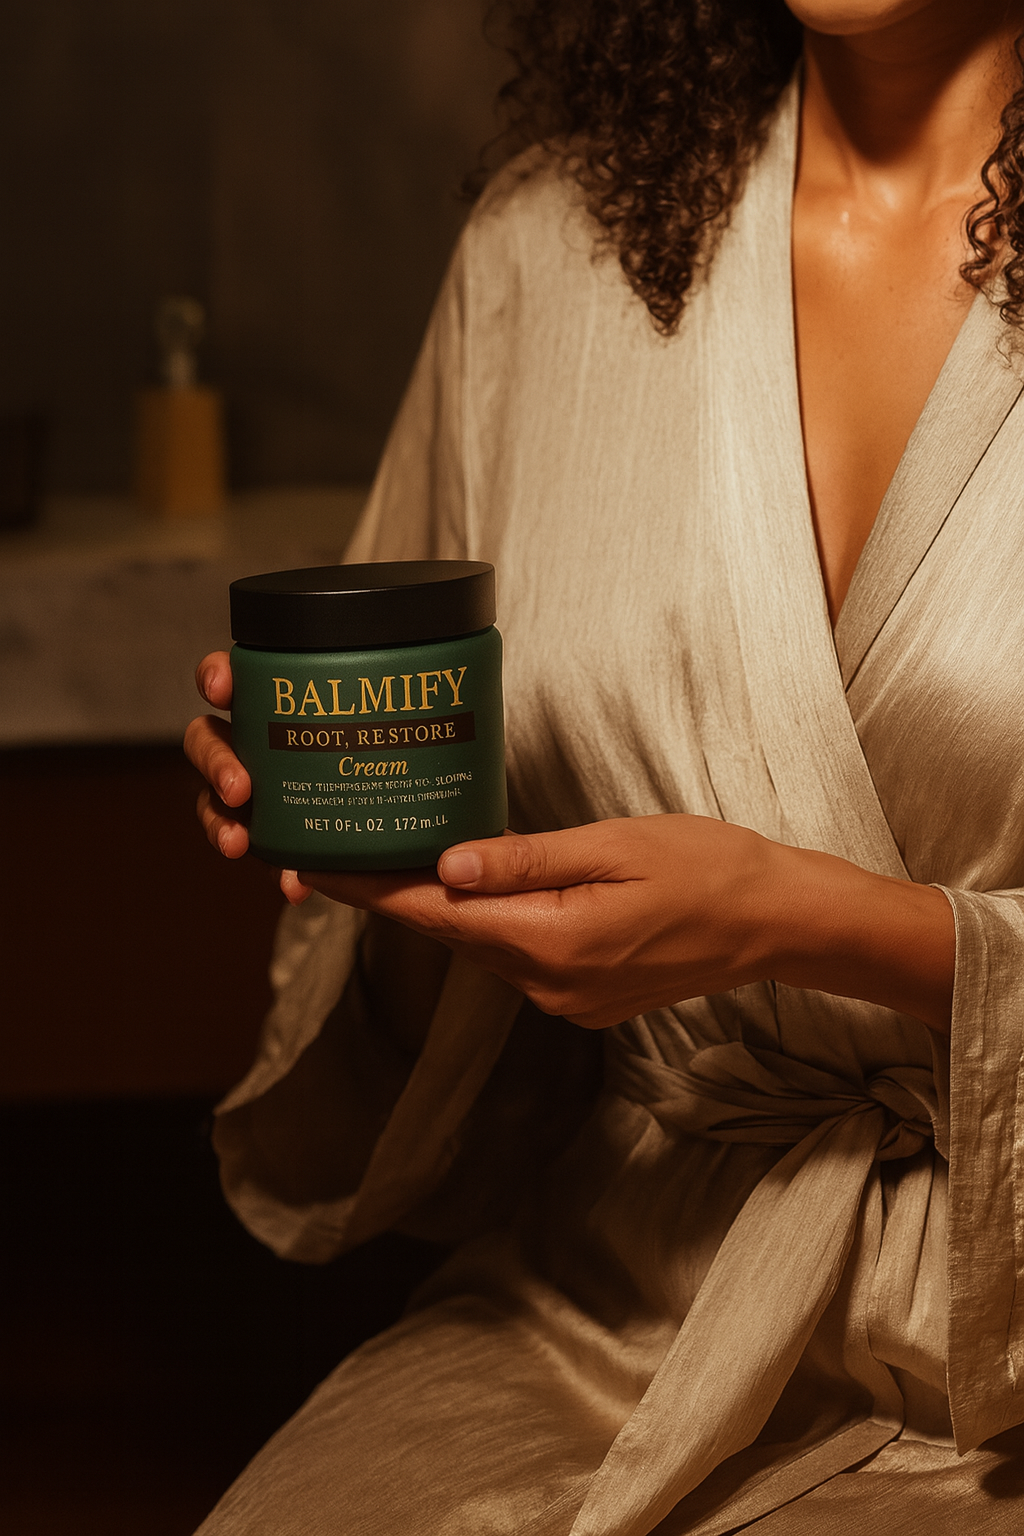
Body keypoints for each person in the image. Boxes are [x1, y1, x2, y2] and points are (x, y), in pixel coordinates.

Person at [185, 1, 1024, 1530]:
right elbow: (427, 1030)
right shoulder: (551, 244)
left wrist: (804, 920)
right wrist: (393, 857)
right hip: (616, 1302)